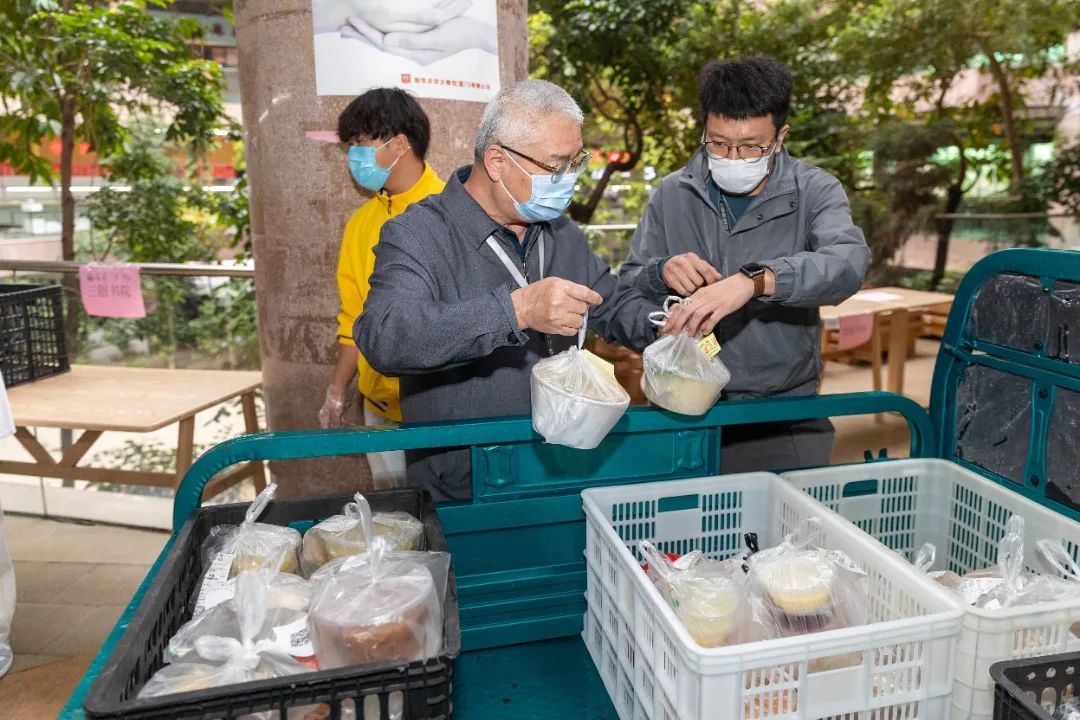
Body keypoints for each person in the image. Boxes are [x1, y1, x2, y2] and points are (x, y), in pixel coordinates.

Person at [356, 80, 661, 500]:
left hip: (561, 466)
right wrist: (515, 311)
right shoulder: (419, 235)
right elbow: (385, 336)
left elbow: (610, 302)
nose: (569, 180)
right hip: (467, 486)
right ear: (497, 161)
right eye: (556, 166)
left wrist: (666, 324)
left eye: (576, 162)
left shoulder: (560, 233)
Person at [619, 56, 870, 474]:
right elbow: (629, 282)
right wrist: (659, 271)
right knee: (682, 512)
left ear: (780, 137)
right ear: (704, 130)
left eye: (752, 146)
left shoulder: (814, 191)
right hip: (679, 401)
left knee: (780, 512)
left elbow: (846, 263)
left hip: (778, 410)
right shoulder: (672, 194)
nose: (734, 157)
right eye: (718, 144)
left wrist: (755, 281)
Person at [318, 88, 445, 488]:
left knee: (447, 514)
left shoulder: (454, 211)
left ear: (400, 144)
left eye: (361, 142)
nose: (353, 155)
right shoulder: (360, 223)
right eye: (350, 146)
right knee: (394, 515)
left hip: (443, 412)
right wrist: (337, 390)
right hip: (380, 408)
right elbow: (354, 319)